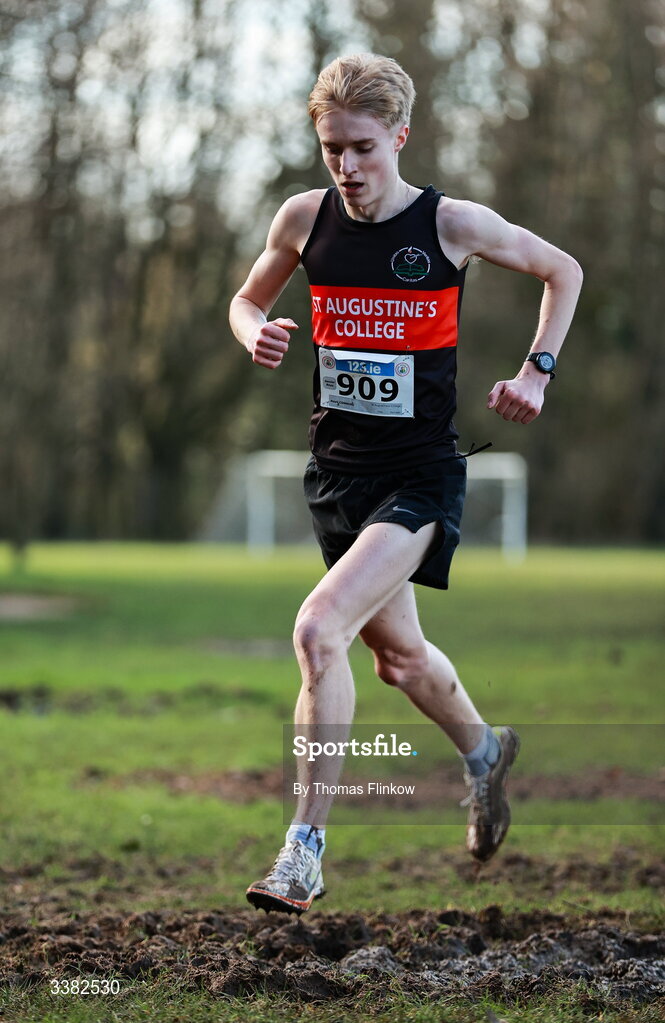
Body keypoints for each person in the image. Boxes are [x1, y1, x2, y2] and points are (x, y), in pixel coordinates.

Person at [230, 53, 583, 915]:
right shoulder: (303, 218)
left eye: (361, 148)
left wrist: (535, 370)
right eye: (330, 149)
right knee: (396, 660)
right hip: (336, 475)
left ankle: (302, 852)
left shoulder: (450, 225)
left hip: (419, 477)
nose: (345, 168)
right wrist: (253, 332)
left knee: (319, 631)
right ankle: (483, 752)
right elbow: (244, 299)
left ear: (398, 135)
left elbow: (561, 269)